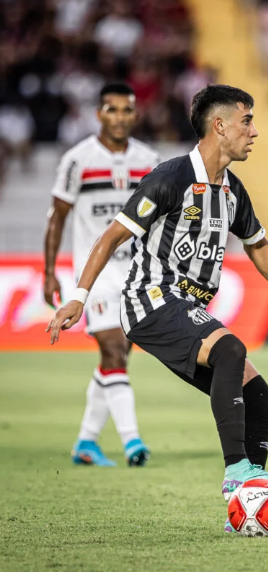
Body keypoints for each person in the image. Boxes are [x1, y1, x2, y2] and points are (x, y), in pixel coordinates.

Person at [47, 84, 268, 532]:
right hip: (150, 301)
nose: (254, 131)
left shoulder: (231, 188)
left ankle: (251, 501)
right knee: (230, 348)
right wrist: (78, 296)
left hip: (186, 307)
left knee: (260, 395)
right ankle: (237, 470)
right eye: (247, 120)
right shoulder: (170, 177)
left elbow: (259, 246)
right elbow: (112, 236)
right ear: (220, 126)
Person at [45, 83, 158, 467]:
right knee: (112, 348)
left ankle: (85, 442)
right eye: (112, 110)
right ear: (99, 114)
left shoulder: (148, 159)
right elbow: (56, 218)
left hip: (137, 275)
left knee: (117, 359)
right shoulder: (78, 159)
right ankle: (133, 443)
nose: (120, 117)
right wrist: (49, 273)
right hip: (94, 275)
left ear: (134, 114)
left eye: (127, 110)